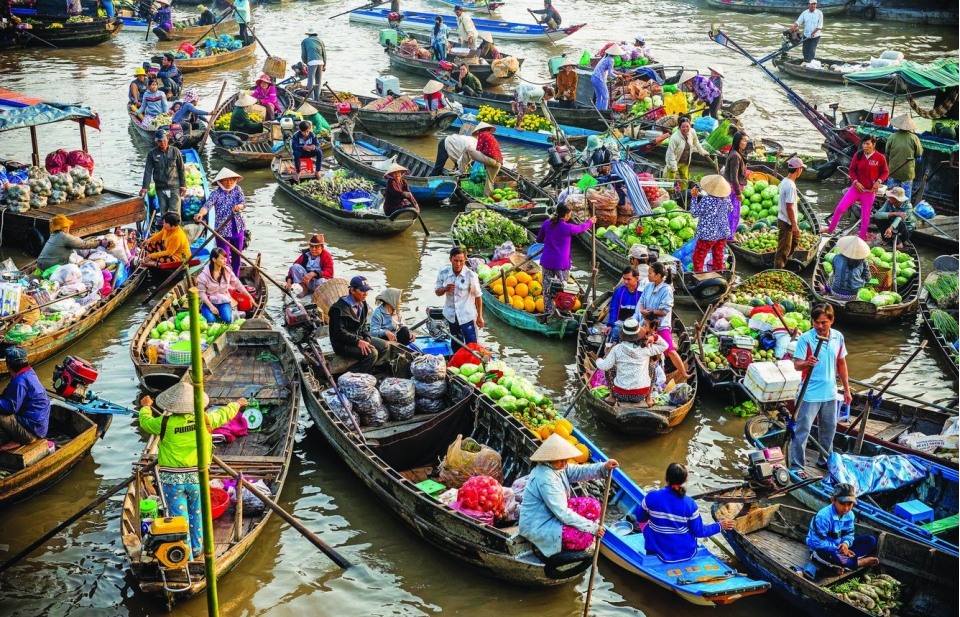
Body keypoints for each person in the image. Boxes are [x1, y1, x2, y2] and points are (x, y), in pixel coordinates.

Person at [139, 383, 245, 560]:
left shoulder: (164, 422)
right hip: (197, 478)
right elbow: (225, 413)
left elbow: (145, 422)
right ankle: (196, 549)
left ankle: (185, 555)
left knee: (179, 519)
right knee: (197, 514)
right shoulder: (205, 419)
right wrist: (238, 403)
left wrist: (146, 407)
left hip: (172, 482)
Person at [518, 433, 619, 558]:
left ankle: (577, 528)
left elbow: (579, 471)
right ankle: (561, 544)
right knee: (585, 538)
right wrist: (592, 528)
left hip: (553, 512)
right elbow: (563, 513)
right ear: (550, 459)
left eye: (565, 459)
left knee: (593, 506)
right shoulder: (545, 479)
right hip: (539, 524)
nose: (564, 463)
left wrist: (603, 467)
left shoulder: (558, 467)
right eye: (561, 460)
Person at [791, 303, 851, 475]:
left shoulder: (838, 337)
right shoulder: (806, 339)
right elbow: (797, 365)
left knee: (829, 430)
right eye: (816, 322)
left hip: (830, 393)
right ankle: (797, 466)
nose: (819, 326)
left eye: (823, 322)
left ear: (831, 321)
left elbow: (841, 363)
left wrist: (846, 390)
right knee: (801, 431)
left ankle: (824, 460)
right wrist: (806, 363)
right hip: (809, 394)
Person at [638, 463, 735, 563]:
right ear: (685, 480)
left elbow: (640, 518)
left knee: (646, 524)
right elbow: (699, 532)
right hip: (686, 554)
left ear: (666, 477)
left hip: (656, 553)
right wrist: (719, 526)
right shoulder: (690, 504)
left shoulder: (652, 496)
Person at [826, 135, 889, 240]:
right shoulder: (858, 155)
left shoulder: (880, 158)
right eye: (864, 143)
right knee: (840, 208)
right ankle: (830, 229)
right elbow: (851, 170)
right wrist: (855, 182)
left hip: (869, 191)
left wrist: (879, 181)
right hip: (856, 188)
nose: (865, 146)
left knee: (865, 215)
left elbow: (885, 172)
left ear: (873, 145)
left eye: (868, 144)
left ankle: (862, 235)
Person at [594, 318, 668, 405]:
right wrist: (655, 337)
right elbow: (665, 345)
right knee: (651, 368)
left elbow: (604, 366)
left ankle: (612, 397)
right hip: (641, 395)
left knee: (610, 368)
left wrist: (598, 360)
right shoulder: (646, 348)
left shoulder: (617, 348)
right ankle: (649, 399)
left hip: (620, 394)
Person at [807, 483, 880, 571]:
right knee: (831, 555)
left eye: (849, 504)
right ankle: (857, 563)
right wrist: (840, 549)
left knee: (870, 541)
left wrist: (845, 544)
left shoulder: (850, 515)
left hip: (841, 547)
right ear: (833, 500)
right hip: (822, 549)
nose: (846, 508)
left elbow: (849, 534)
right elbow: (817, 543)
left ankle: (844, 563)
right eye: (842, 503)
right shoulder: (823, 517)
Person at [537, 203, 594, 314]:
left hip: (547, 261)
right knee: (565, 289)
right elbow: (581, 228)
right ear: (567, 214)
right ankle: (563, 311)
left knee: (547, 288)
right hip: (561, 264)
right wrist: (590, 221)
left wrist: (550, 240)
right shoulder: (568, 228)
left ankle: (548, 312)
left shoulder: (546, 223)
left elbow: (539, 239)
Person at [636, 261, 690, 378]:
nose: (648, 276)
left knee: (670, 350)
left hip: (661, 324)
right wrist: (642, 310)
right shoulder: (649, 286)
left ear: (658, 276)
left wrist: (650, 311)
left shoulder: (667, 290)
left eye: (650, 273)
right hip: (646, 322)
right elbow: (641, 301)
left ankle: (684, 374)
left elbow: (664, 311)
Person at [329, 276, 389, 374]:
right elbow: (339, 333)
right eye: (362, 291)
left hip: (358, 337)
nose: (365, 294)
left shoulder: (363, 304)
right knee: (372, 354)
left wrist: (366, 339)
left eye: (367, 290)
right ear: (352, 290)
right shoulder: (338, 309)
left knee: (383, 346)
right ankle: (352, 376)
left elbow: (364, 325)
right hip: (343, 343)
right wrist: (358, 342)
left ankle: (365, 369)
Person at [194, 168, 248, 277]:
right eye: (226, 180)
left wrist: (239, 207)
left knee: (237, 257)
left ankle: (235, 279)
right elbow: (207, 206)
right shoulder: (215, 194)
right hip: (222, 231)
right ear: (220, 182)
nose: (229, 183)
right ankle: (225, 281)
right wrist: (200, 214)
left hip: (238, 228)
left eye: (231, 180)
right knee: (223, 259)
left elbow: (243, 203)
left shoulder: (238, 189)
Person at [0, 347, 50, 447]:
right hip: (39, 427)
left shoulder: (20, 382)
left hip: (31, 431)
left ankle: (21, 439)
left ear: (8, 366)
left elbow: (10, 408)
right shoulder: (29, 372)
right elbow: (8, 394)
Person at [435, 247, 483, 350]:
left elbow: (478, 296)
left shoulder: (471, 275)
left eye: (461, 261)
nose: (458, 264)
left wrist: (480, 317)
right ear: (450, 259)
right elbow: (437, 292)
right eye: (455, 260)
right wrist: (445, 289)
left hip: (467, 316)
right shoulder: (443, 273)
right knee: (456, 343)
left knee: (472, 345)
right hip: (451, 315)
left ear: (465, 260)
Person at [197, 247, 255, 323]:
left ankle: (228, 314)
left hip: (223, 301)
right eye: (222, 258)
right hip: (209, 302)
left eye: (225, 258)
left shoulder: (227, 271)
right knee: (211, 321)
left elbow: (238, 285)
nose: (225, 260)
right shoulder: (204, 275)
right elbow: (202, 293)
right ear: (214, 260)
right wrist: (211, 307)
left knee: (227, 319)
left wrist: (249, 297)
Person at [690, 175, 733, 273]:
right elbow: (730, 209)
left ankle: (699, 277)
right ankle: (718, 275)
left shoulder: (707, 199)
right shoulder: (726, 198)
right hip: (722, 233)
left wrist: (694, 198)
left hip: (708, 235)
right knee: (718, 257)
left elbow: (694, 213)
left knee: (698, 258)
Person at [37, 214, 109, 270]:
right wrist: (100, 243)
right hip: (49, 266)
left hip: (40, 263)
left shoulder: (54, 235)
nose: (69, 228)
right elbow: (84, 245)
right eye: (67, 226)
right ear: (64, 228)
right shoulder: (64, 237)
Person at [140, 129, 186, 217]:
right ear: (156, 142)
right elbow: (148, 171)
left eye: (164, 141)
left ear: (168, 139)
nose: (162, 143)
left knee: (175, 213)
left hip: (174, 187)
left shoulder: (175, 151)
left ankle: (176, 229)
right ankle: (165, 229)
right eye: (160, 141)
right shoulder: (152, 154)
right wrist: (145, 187)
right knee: (164, 213)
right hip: (160, 188)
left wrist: (183, 185)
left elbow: (181, 169)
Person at [775, 156, 806, 270]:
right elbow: (790, 206)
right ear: (798, 170)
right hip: (787, 221)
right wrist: (794, 224)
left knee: (795, 240)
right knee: (783, 250)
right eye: (801, 169)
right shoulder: (791, 186)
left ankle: (787, 264)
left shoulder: (785, 181)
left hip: (784, 218)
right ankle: (778, 270)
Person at [665, 115, 711, 190]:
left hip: (685, 161)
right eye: (683, 127)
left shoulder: (692, 132)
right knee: (670, 180)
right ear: (679, 127)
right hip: (674, 161)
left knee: (685, 180)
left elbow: (696, 143)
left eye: (687, 126)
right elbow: (670, 153)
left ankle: (684, 193)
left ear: (690, 126)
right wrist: (673, 166)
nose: (685, 129)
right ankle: (669, 193)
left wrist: (702, 151)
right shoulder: (675, 137)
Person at [885, 113, 923, 200]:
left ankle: (890, 210)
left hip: (894, 170)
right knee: (906, 196)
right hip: (907, 172)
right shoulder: (914, 138)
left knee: (891, 194)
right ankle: (905, 211)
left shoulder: (892, 137)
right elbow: (918, 154)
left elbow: (887, 151)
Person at [603, 266, 643, 342]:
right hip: (621, 323)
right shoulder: (619, 291)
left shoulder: (642, 292)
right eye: (624, 279)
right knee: (615, 332)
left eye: (628, 279)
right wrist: (610, 325)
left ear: (637, 278)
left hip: (637, 325)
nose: (625, 282)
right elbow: (613, 309)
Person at [464, 122, 502, 197]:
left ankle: (462, 169)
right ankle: (487, 199)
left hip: (490, 160)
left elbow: (478, 149)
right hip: (498, 163)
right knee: (490, 182)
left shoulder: (482, 134)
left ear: (480, 130)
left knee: (467, 149)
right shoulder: (491, 137)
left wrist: (473, 159)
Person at [724, 131, 749, 239]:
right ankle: (730, 236)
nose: (745, 143)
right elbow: (733, 176)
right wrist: (738, 193)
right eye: (744, 141)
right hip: (733, 189)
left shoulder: (736, 153)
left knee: (733, 213)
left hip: (733, 188)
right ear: (738, 141)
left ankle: (729, 234)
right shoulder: (735, 156)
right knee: (734, 214)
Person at [591, 44, 625, 112]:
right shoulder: (611, 60)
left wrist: (619, 73)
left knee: (599, 97)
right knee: (606, 97)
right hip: (599, 78)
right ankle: (604, 112)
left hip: (593, 77)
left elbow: (611, 70)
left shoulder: (605, 58)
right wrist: (618, 76)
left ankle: (597, 112)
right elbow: (610, 73)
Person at [301, 29, 327, 102]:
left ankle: (311, 98)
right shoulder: (320, 41)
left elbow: (304, 54)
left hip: (312, 62)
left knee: (310, 81)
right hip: (321, 62)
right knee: (318, 81)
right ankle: (317, 98)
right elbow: (324, 54)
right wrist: (324, 64)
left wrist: (306, 62)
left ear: (308, 34)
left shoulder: (305, 41)